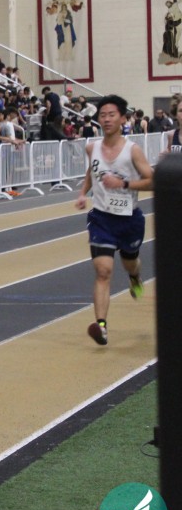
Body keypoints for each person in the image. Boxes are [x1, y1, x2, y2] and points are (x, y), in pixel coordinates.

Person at [74, 95, 154, 346]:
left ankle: (135, 277)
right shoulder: (92, 148)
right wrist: (83, 193)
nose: (107, 119)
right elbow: (92, 171)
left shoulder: (133, 150)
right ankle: (101, 326)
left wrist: (124, 183)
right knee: (103, 270)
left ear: (122, 118)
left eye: (111, 115)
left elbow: (152, 181)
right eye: (103, 115)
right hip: (101, 218)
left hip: (129, 219)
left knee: (130, 263)